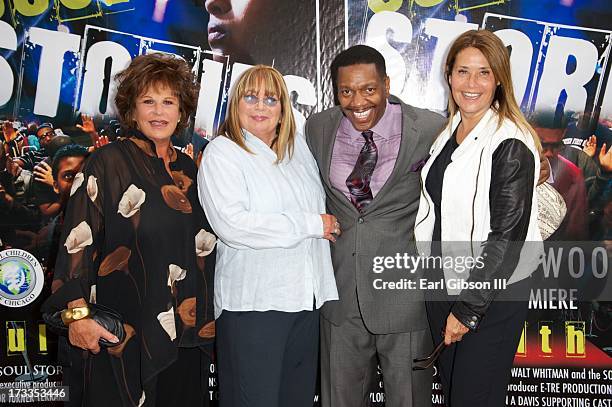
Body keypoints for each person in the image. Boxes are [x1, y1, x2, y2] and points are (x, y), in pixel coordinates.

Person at [42, 53, 216, 407]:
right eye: (148, 101)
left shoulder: (192, 170)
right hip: (123, 336)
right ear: (132, 110)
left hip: (186, 336)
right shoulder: (107, 163)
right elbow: (75, 247)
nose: (158, 112)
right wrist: (78, 318)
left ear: (182, 112)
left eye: (168, 102)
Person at [305, 44, 445, 407]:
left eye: (368, 89)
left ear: (386, 84)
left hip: (405, 295)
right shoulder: (318, 127)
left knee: (410, 401)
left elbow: (476, 163)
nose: (357, 101)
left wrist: (534, 164)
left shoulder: (430, 127)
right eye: (346, 91)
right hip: (341, 297)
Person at [414, 29, 542, 406]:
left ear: (499, 79)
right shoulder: (449, 132)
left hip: (489, 297)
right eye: (462, 71)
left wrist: (467, 309)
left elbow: (506, 237)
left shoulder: (509, 141)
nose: (471, 83)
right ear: (449, 76)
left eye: (483, 72)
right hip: (445, 286)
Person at [197, 65, 338, 407]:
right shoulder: (223, 152)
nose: (260, 106)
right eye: (251, 97)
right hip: (254, 308)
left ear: (283, 108)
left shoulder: (299, 151)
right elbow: (233, 225)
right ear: (236, 104)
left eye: (270, 99)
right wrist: (311, 225)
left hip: (307, 302)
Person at [530, 111, 589, 240]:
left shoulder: (572, 176)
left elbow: (574, 233)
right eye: (543, 145)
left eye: (556, 146)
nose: (550, 153)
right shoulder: (501, 162)